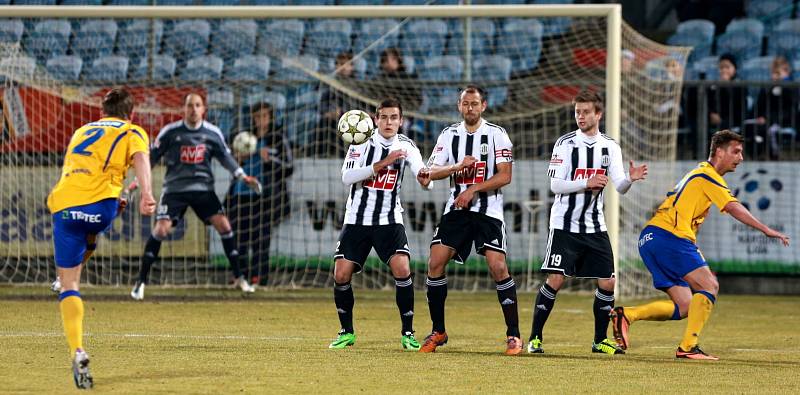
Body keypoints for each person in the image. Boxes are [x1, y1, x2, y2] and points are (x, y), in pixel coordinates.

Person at [611, 130, 790, 360]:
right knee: (710, 285)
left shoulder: (699, 173)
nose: (740, 157)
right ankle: (688, 347)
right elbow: (733, 206)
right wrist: (766, 229)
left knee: (685, 305)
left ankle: (627, 315)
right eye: (736, 151)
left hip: (651, 239)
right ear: (719, 152)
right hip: (669, 236)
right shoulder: (708, 175)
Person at [47, 88, 156, 389]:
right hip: (102, 208)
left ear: (101, 112)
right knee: (93, 228)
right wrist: (146, 193)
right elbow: (141, 158)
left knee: (70, 286)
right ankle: (67, 272)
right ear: (130, 113)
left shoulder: (82, 131)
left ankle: (77, 350)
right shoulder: (133, 130)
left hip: (65, 206)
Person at [527, 90, 648, 355]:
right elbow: (555, 184)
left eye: (585, 112)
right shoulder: (565, 143)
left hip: (595, 226)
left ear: (598, 114)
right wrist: (586, 182)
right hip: (565, 225)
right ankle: (535, 338)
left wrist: (630, 178)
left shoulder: (610, 147)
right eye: (577, 112)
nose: (580, 117)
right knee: (556, 279)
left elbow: (620, 187)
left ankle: (599, 340)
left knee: (608, 281)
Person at [419, 85, 521, 355]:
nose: (470, 108)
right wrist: (456, 167)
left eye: (475, 103)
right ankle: (438, 331)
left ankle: (513, 335)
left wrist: (473, 189)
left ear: (484, 105)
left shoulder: (497, 135)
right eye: (466, 103)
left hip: (488, 211)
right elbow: (431, 172)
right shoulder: (448, 134)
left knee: (498, 267)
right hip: (456, 211)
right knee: (435, 262)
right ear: (459, 105)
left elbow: (505, 176)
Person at [130, 92, 261, 300]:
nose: (193, 109)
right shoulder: (170, 132)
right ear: (184, 108)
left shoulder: (212, 133)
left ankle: (240, 278)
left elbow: (225, 157)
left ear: (203, 109)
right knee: (161, 229)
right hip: (175, 190)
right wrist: (138, 181)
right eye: (190, 105)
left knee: (225, 226)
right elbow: (152, 157)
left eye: (197, 105)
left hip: (203, 190)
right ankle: (141, 282)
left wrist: (242, 176)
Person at [328, 98, 431, 351]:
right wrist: (383, 163)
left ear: (401, 121)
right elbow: (347, 177)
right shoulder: (360, 141)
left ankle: (408, 333)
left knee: (403, 268)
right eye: (384, 117)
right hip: (357, 219)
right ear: (376, 119)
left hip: (389, 219)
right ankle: (346, 332)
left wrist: (425, 178)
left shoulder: (407, 146)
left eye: (393, 117)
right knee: (341, 274)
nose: (388, 122)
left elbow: (422, 173)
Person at [227, 101, 293, 287]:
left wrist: (269, 158)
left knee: (261, 240)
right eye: (257, 117)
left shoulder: (278, 137)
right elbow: (231, 165)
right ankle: (240, 276)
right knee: (239, 239)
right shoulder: (245, 138)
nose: (261, 120)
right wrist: (238, 160)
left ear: (271, 118)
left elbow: (289, 167)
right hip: (241, 194)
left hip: (266, 196)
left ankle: (259, 277)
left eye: (265, 116)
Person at [315, 52, 364, 158]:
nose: (342, 67)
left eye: (345, 64)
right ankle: (321, 156)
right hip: (333, 117)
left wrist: (342, 113)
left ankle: (346, 158)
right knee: (324, 122)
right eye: (339, 64)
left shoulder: (357, 86)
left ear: (352, 67)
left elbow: (359, 107)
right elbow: (322, 104)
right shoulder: (331, 84)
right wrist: (328, 112)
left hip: (352, 119)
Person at [748, 56, 796, 160]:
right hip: (764, 120)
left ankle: (773, 157)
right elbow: (759, 106)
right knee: (751, 128)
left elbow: (791, 110)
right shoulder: (767, 87)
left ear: (786, 72)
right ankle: (755, 158)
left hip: (781, 121)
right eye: (773, 73)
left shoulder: (792, 87)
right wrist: (759, 117)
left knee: (769, 131)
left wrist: (769, 119)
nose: (775, 76)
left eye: (778, 73)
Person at [708, 53, 747, 132]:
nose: (724, 70)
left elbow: (738, 108)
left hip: (733, 121)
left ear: (734, 68)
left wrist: (726, 86)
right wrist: (711, 113)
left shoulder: (740, 85)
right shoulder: (714, 85)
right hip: (715, 119)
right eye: (721, 67)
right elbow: (709, 102)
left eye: (727, 67)